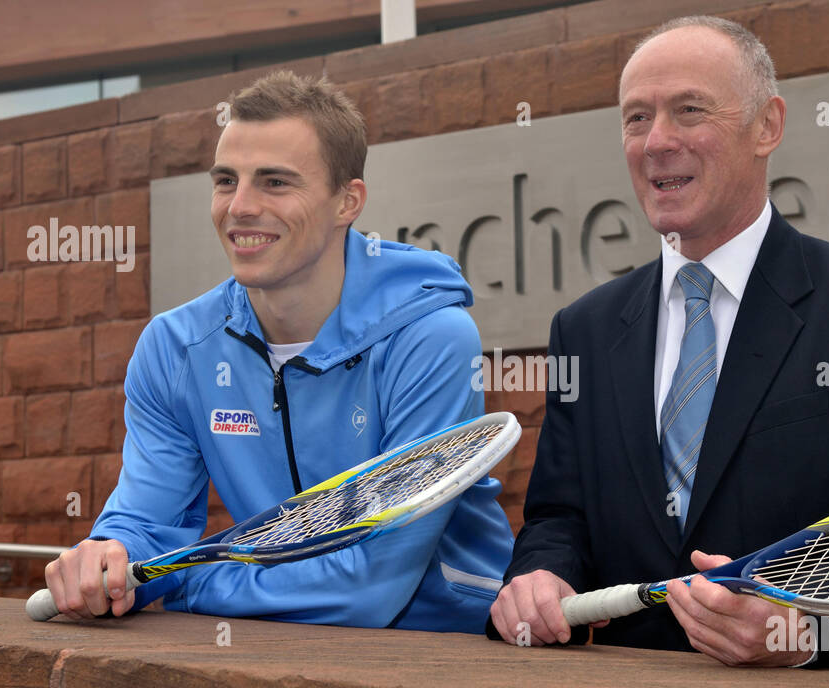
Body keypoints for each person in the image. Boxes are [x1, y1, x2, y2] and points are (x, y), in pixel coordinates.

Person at [489, 16, 829, 669]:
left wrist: (802, 632)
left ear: (767, 127)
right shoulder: (585, 327)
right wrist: (540, 577)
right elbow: (559, 517)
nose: (657, 141)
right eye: (636, 118)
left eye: (689, 111)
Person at [44, 70, 513, 632]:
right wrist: (110, 554)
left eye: (274, 182)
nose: (239, 206)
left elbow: (371, 584)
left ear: (347, 202)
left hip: (446, 654)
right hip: (275, 644)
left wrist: (186, 582)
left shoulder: (431, 339)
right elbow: (148, 524)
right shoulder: (173, 348)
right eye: (225, 181)